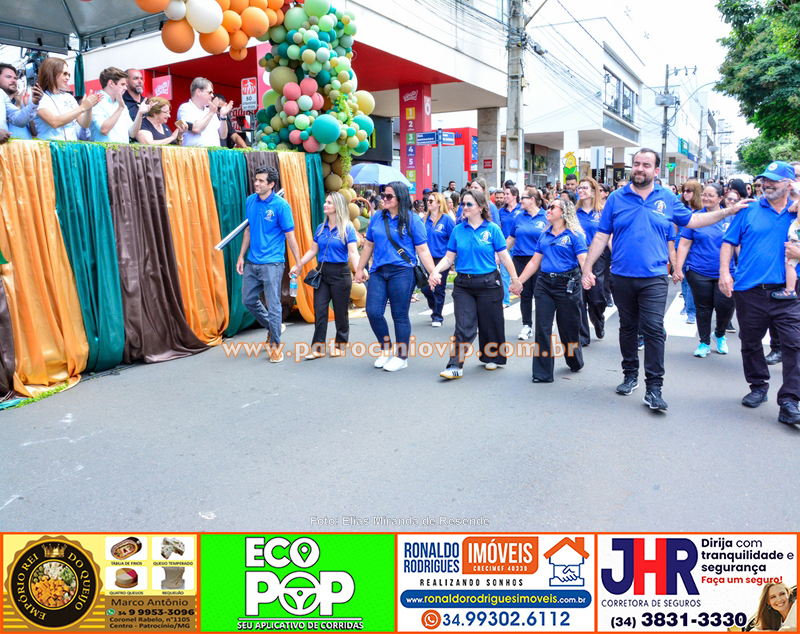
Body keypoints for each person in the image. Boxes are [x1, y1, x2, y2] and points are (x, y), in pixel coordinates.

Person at [582, 148, 745, 411]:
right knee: (627, 328)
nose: (639, 168)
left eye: (646, 165)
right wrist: (587, 268)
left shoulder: (667, 198)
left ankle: (654, 388)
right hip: (622, 275)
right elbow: (602, 236)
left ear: (656, 171)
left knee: (654, 329)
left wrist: (727, 212)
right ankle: (630, 375)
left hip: (655, 277)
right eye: (636, 164)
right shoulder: (615, 198)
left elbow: (693, 220)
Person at [720, 161, 800, 425]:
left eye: (773, 180)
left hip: (788, 293)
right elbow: (729, 242)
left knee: (794, 345)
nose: (766, 184)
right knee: (750, 343)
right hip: (749, 291)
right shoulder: (749, 210)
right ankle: (758, 386)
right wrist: (724, 273)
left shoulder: (797, 212)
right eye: (764, 180)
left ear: (789, 184)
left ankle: (790, 401)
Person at [430, 189, 517, 379]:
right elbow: (448, 258)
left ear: (481, 207)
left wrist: (515, 279)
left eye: (469, 204)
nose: (464, 207)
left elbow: (504, 256)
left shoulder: (492, 229)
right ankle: (455, 365)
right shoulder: (457, 230)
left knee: (491, 323)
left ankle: (491, 355)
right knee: (463, 325)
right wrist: (435, 271)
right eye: (463, 204)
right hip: (463, 284)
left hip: (489, 282)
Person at [354, 181, 435, 372]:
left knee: (399, 315)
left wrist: (433, 272)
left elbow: (422, 250)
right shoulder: (377, 218)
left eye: (389, 196)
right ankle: (386, 349)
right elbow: (368, 245)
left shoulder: (413, 220)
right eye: (383, 195)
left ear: (400, 198)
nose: (384, 199)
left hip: (402, 272)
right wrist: (359, 269)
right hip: (378, 271)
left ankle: (401, 356)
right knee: (373, 311)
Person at [512, 197, 587, 382]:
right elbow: (534, 262)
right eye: (549, 206)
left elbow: (584, 260)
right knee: (542, 328)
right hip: (545, 284)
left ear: (563, 212)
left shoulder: (575, 235)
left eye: (553, 207)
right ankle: (542, 373)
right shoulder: (544, 235)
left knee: (568, 329)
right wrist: (518, 281)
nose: (548, 209)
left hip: (568, 285)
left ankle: (574, 360)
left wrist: (588, 276)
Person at [236, 165, 302, 364]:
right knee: (248, 300)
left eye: (261, 181)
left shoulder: (281, 206)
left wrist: (298, 263)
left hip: (273, 263)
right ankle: (274, 326)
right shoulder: (250, 201)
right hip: (252, 262)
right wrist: (241, 256)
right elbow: (248, 231)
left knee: (273, 306)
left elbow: (290, 236)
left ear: (271, 184)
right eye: (256, 179)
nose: (256, 183)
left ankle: (275, 346)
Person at [674, 183, 744, 358]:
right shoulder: (695, 218)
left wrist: (743, 267)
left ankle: (719, 334)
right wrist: (678, 268)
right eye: (704, 195)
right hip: (698, 270)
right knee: (703, 308)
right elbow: (684, 244)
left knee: (726, 306)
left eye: (711, 195)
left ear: (721, 198)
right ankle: (704, 342)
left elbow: (738, 246)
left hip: (727, 272)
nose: (706, 198)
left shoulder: (731, 219)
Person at [290, 192, 359, 359]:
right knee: (319, 310)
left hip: (340, 274)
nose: (325, 205)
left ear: (337, 207)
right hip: (322, 272)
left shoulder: (347, 228)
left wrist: (359, 272)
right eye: (325, 202)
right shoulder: (321, 228)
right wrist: (298, 265)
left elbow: (353, 252)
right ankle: (318, 348)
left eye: (329, 202)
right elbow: (313, 250)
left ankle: (341, 344)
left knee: (341, 311)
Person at [507, 186, 548, 340]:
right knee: (524, 293)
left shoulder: (546, 216)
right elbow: (511, 238)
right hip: (520, 259)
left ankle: (542, 326)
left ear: (532, 200)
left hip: (539, 261)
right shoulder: (518, 216)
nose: (520, 200)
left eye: (523, 197)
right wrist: (500, 255)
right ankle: (526, 325)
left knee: (540, 294)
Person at [33, 57, 98, 142]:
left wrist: (88, 109)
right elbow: (54, 122)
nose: (67, 77)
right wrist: (82, 108)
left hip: (71, 149)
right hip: (50, 149)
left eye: (69, 75)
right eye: (64, 73)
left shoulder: (68, 97)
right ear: (52, 73)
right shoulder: (40, 97)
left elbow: (84, 124)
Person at [576, 176, 607, 344]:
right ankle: (583, 335)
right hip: (578, 256)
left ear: (593, 191)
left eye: (585, 188)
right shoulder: (573, 212)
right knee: (579, 297)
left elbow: (609, 235)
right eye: (579, 188)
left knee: (596, 297)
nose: (581, 191)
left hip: (598, 257)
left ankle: (598, 319)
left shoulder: (602, 212)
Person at [420, 192, 456, 327]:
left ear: (439, 204)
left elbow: (454, 239)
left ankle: (437, 316)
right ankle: (435, 306)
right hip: (426, 259)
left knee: (439, 288)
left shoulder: (446, 220)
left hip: (441, 259)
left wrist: (451, 257)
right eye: (428, 200)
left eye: (431, 201)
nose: (428, 203)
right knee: (425, 287)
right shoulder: (424, 220)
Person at [90, 67, 147, 144]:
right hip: (105, 153)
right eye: (122, 84)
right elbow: (104, 130)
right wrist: (120, 108)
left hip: (122, 153)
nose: (125, 88)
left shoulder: (120, 103)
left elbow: (132, 133)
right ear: (111, 83)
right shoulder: (96, 102)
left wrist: (140, 113)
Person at [177, 77, 231, 147]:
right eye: (210, 92)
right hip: (196, 155)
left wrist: (223, 116)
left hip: (214, 154)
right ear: (198, 92)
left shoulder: (210, 110)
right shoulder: (185, 108)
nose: (212, 95)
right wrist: (211, 113)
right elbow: (196, 129)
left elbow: (223, 135)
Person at [678, 180, 703, 324]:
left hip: (696, 247)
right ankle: (688, 307)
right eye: (684, 190)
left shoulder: (702, 210)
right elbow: (674, 229)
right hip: (680, 245)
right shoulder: (680, 208)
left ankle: (691, 311)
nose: (685, 194)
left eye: (689, 191)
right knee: (684, 278)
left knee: (692, 279)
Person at [0, 63, 41, 141]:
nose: (14, 81)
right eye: (8, 77)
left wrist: (33, 103)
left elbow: (18, 120)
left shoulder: (2, 95)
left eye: (15, 78)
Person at [498, 185, 521, 307]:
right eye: (504, 194)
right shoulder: (501, 211)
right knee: (504, 274)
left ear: (514, 196)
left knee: (519, 273)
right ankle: (505, 300)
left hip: (519, 246)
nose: (505, 197)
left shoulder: (521, 210)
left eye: (507, 194)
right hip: (505, 246)